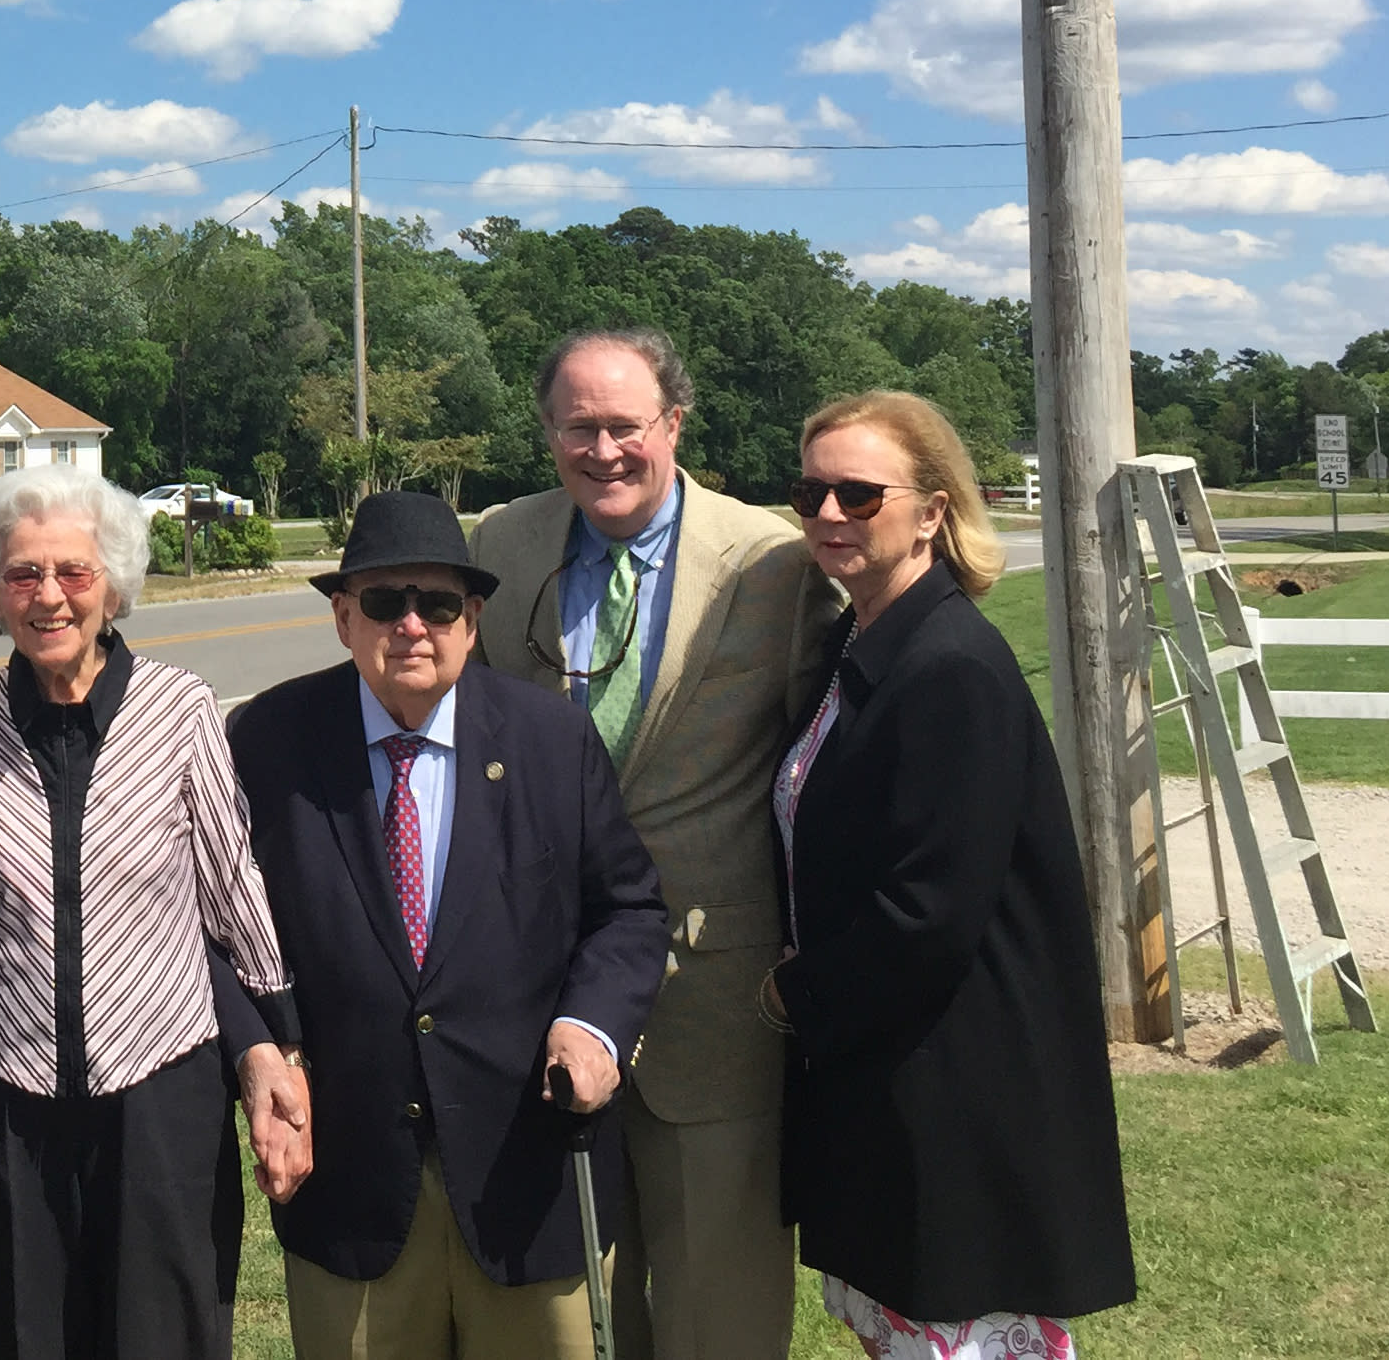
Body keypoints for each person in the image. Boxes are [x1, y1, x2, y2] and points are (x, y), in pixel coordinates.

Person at [226, 490, 668, 1360]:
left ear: (472, 618)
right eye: (386, 603)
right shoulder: (267, 740)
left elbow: (630, 908)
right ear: (344, 617)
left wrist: (592, 1027)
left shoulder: (552, 739)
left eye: (437, 603)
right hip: (348, 1181)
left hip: (527, 1174)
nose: (412, 625)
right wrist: (258, 1051)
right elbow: (212, 925)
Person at [472, 327, 834, 1360]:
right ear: (548, 432)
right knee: (564, 1292)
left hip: (716, 986)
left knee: (716, 1299)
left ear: (673, 423)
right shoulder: (502, 544)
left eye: (625, 425)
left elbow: (832, 745)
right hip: (540, 977)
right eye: (577, 427)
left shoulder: (772, 556)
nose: (604, 450)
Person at [772, 393, 1135, 1357]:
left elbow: (928, 915)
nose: (830, 514)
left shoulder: (948, 666)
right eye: (811, 491)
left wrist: (787, 995)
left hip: (956, 1093)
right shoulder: (858, 644)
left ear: (933, 511)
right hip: (887, 1079)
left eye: (859, 491)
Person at [0, 466, 307, 1360]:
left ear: (114, 583)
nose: (49, 595)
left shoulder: (179, 710)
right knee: (13, 1332)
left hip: (159, 1084)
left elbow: (233, 890)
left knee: (159, 1333)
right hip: (6, 1086)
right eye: (23, 574)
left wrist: (277, 1046)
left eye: (74, 571)